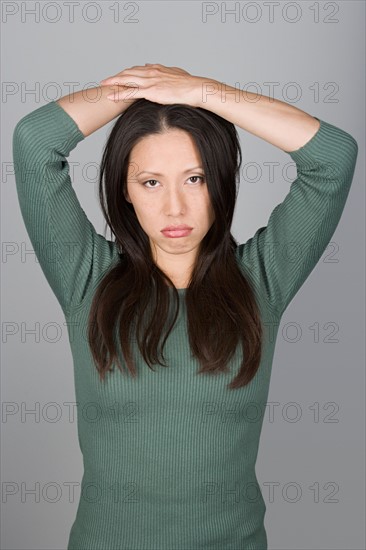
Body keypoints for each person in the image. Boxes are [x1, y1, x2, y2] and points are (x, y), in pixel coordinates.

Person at [12, 64, 358, 549]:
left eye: (195, 178)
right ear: (125, 193)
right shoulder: (86, 278)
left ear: (221, 184)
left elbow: (333, 156)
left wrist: (203, 92)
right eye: (151, 182)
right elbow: (34, 141)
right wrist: (139, 90)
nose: (174, 207)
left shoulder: (261, 281)